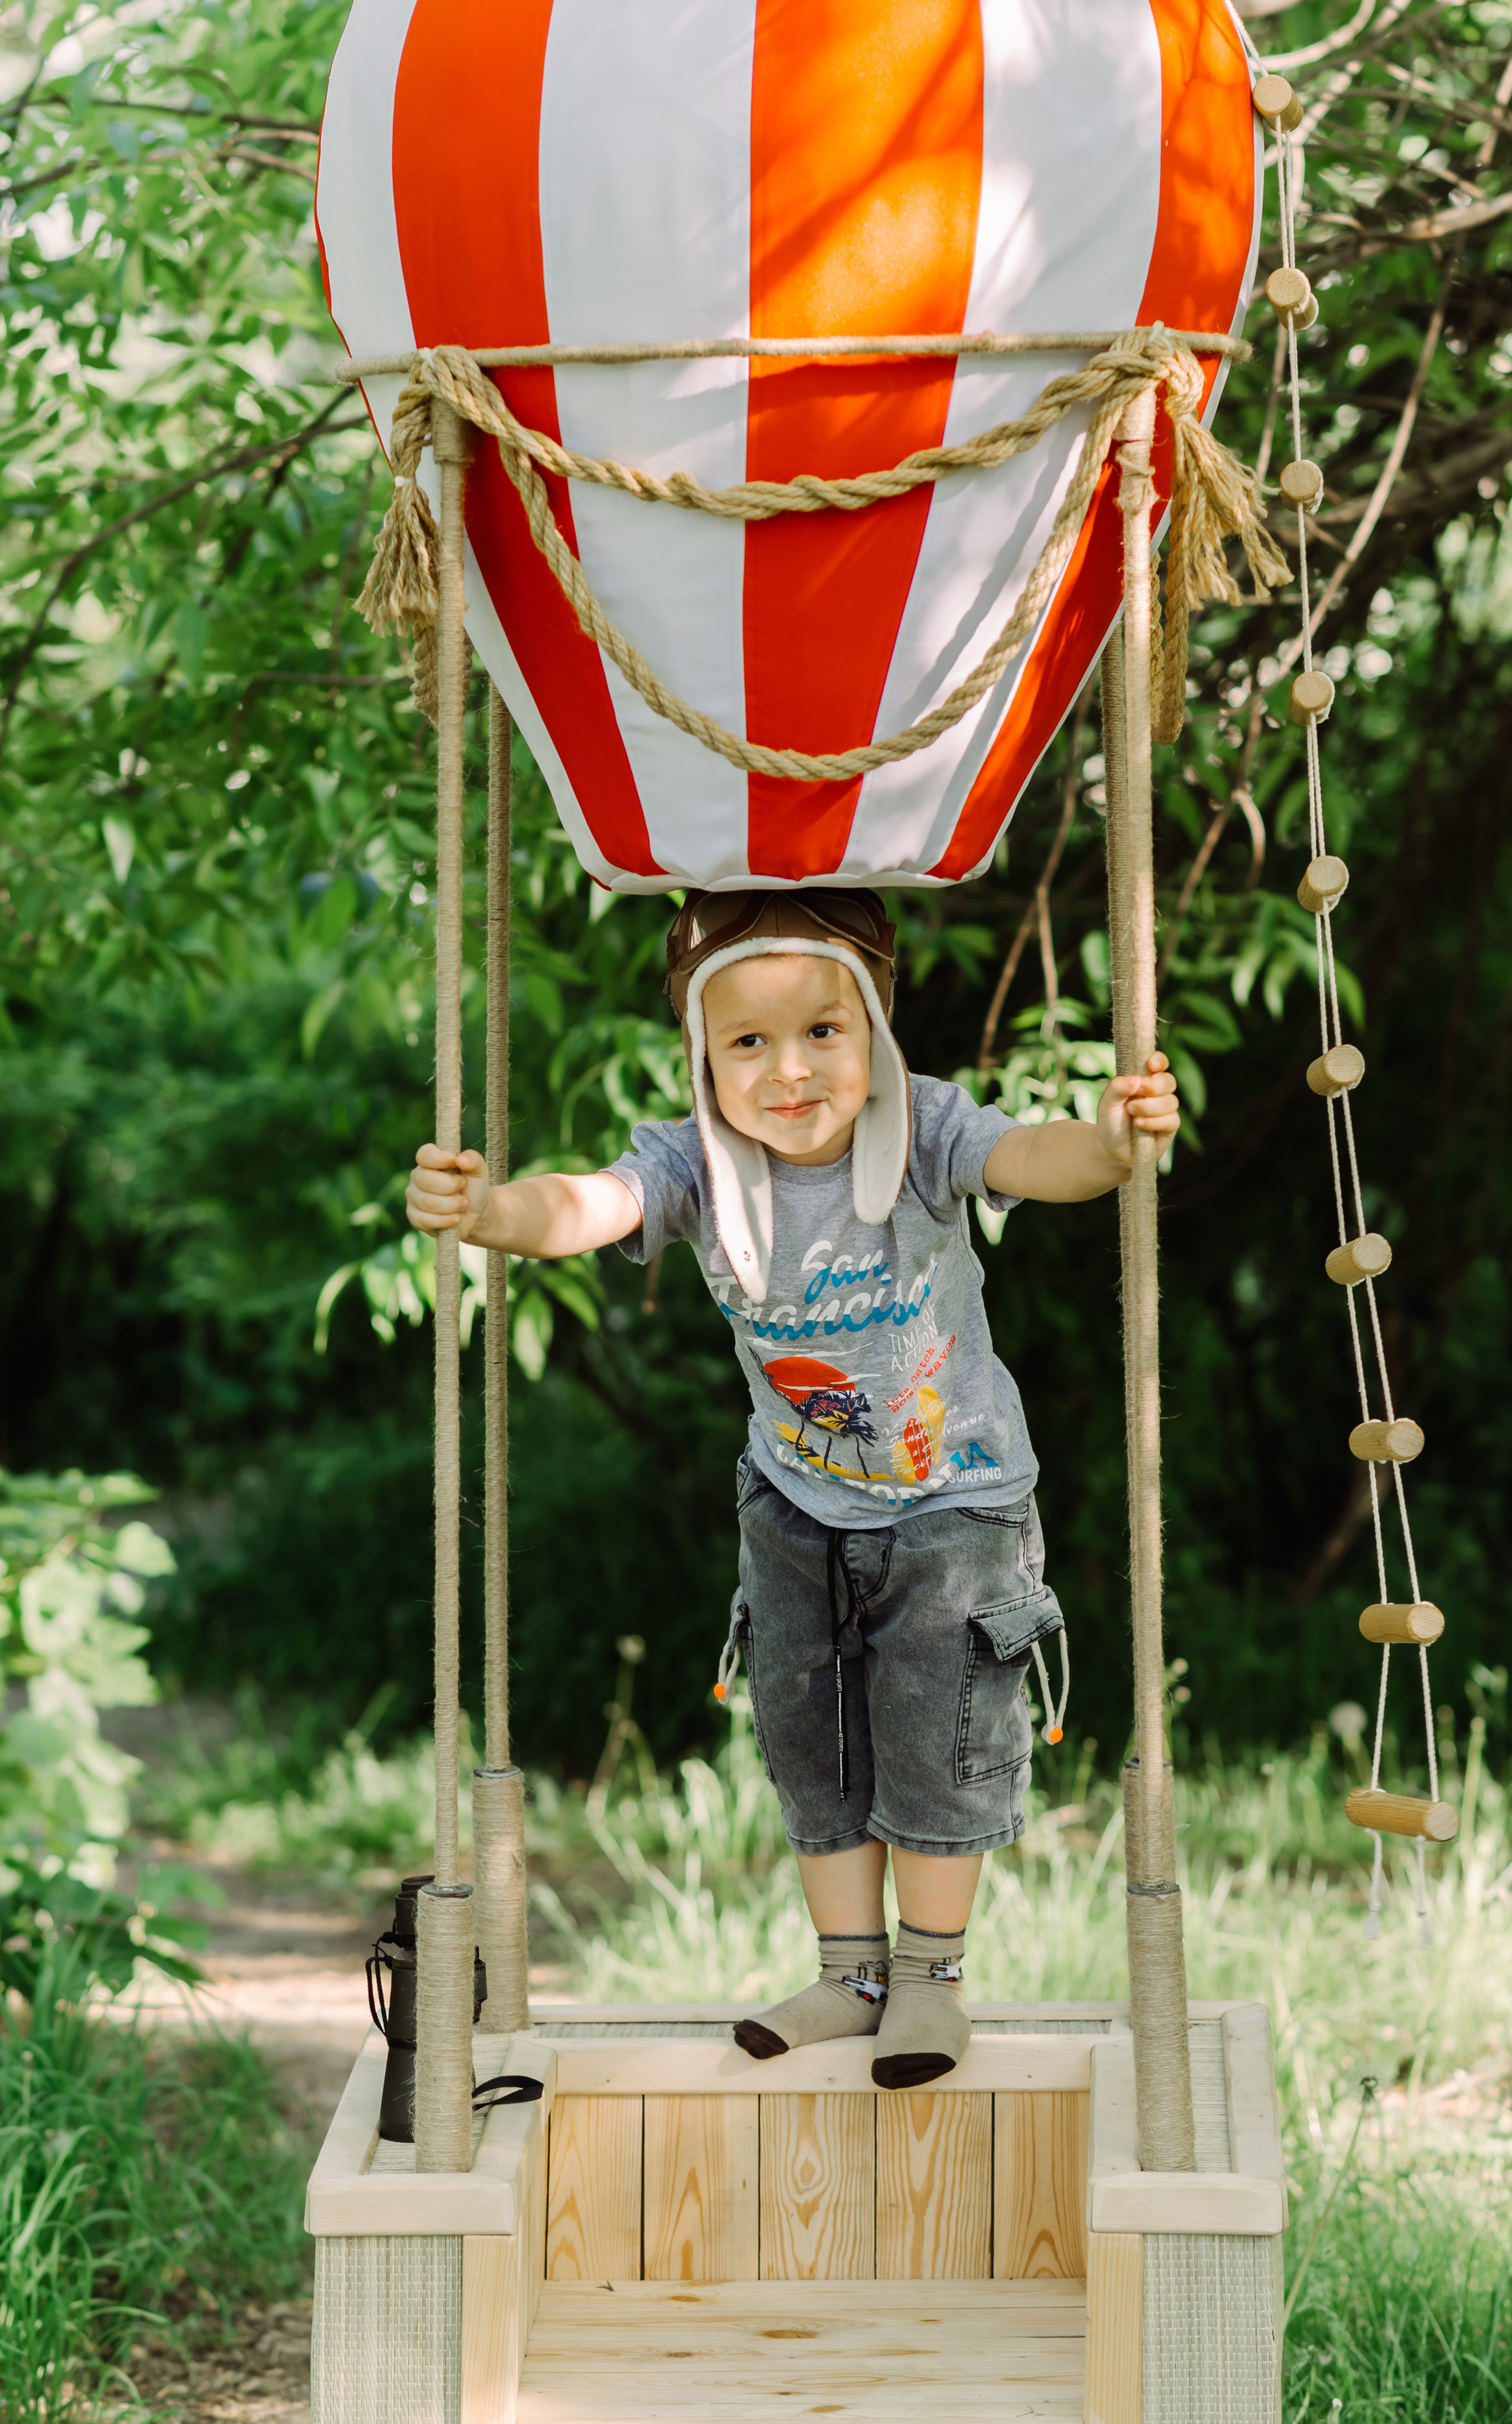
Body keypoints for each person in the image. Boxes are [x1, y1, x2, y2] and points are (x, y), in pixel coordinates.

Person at [407, 889, 1181, 2089]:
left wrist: (1111, 1138)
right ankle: (850, 1972)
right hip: (796, 1501)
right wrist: (489, 1211)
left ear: (872, 1025)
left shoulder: (923, 1130)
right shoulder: (692, 1164)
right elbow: (588, 1204)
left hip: (955, 1500)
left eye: (823, 1030)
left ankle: (930, 1980)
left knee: (940, 1732)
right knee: (808, 1735)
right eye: (748, 1043)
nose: (790, 1070)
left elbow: (1036, 1156)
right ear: (704, 1058)